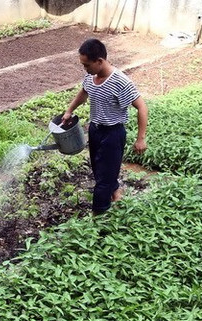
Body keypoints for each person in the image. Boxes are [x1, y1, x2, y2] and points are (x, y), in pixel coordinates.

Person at [61, 39, 148, 215]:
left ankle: (99, 215)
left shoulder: (120, 82)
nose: (85, 69)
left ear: (99, 61)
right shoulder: (91, 76)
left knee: (103, 181)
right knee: (99, 169)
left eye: (87, 65)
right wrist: (69, 110)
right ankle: (116, 192)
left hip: (113, 134)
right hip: (95, 130)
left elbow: (142, 107)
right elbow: (84, 92)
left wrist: (140, 139)